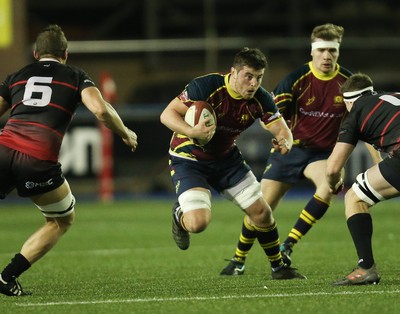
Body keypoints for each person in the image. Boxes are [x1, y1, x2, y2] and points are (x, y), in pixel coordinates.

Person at [221, 23, 378, 276]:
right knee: (260, 207)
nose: (327, 56)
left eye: (332, 51)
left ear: (338, 52)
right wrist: (279, 138)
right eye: (322, 50)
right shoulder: (296, 79)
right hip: (291, 150)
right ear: (312, 51)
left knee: (328, 186)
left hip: (322, 154)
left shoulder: (347, 83)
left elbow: (367, 123)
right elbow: (273, 115)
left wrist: (377, 159)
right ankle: (238, 260)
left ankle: (288, 244)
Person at [0, 25, 138, 297]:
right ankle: (6, 277)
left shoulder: (16, 76)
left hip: (2, 150)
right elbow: (100, 110)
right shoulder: (75, 75)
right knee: (60, 220)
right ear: (65, 53)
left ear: (36, 53)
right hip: (37, 160)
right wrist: (125, 133)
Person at [160, 47, 306, 280]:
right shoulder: (206, 86)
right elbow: (167, 114)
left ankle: (278, 267)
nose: (253, 83)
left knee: (262, 213)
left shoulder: (261, 98)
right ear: (233, 73)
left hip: (227, 160)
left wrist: (285, 142)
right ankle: (180, 213)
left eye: (258, 77)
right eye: (248, 76)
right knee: (198, 223)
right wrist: (191, 130)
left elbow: (282, 129)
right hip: (189, 158)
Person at [326, 73, 400, 285]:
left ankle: (366, 268)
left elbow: (332, 168)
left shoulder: (355, 111)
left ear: (348, 101)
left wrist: (334, 184)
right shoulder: (392, 96)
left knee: (354, 198)